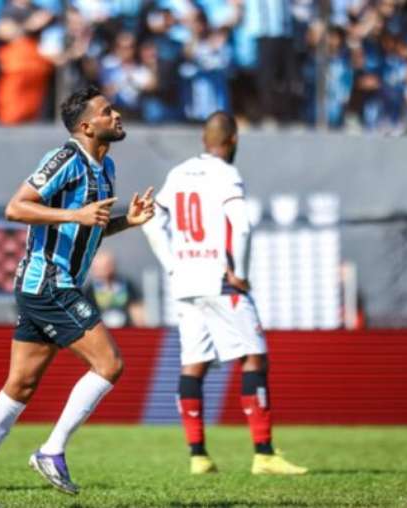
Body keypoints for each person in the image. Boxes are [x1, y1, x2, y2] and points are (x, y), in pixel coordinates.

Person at [0, 85, 155, 505]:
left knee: (20, 385)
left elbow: (88, 227)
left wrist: (125, 223)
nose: (116, 116)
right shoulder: (65, 159)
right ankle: (51, 450)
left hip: (51, 286)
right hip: (48, 282)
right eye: (107, 111)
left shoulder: (105, 167)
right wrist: (73, 213)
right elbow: (16, 207)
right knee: (109, 364)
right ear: (86, 125)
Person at [142, 111, 307, 476]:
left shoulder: (179, 173)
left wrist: (171, 263)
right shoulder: (227, 174)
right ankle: (263, 453)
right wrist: (242, 275)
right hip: (219, 279)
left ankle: (198, 455)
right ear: (232, 140)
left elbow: (152, 220)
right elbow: (243, 226)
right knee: (253, 358)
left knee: (193, 365)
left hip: (185, 281)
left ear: (204, 140)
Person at [85, 249, 145, 328]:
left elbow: (137, 310)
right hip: (102, 332)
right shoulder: (89, 290)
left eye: (106, 266)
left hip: (126, 330)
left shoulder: (127, 285)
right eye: (99, 267)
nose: (103, 270)